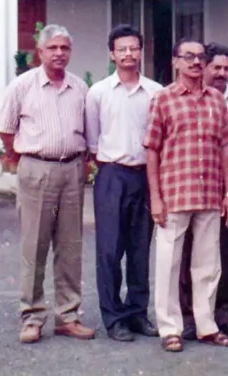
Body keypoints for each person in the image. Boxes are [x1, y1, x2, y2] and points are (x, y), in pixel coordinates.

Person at [0, 24, 95, 344]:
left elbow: (87, 131)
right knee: (34, 246)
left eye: (64, 48)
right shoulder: (22, 86)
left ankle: (68, 316)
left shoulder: (79, 88)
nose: (59, 53)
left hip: (72, 171)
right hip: (36, 169)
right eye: (52, 48)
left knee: (70, 247)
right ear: (39, 52)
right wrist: (25, 158)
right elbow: (6, 130)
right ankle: (32, 316)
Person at [144, 38, 228, 353]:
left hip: (210, 193)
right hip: (174, 194)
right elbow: (152, 150)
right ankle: (170, 328)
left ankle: (206, 326)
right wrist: (155, 197)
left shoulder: (217, 100)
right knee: (168, 263)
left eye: (200, 57)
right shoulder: (162, 99)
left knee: (208, 264)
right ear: (176, 62)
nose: (196, 62)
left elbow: (224, 148)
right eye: (188, 57)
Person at [85, 24, 162, 342]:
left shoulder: (156, 92)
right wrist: (110, 167)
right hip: (111, 175)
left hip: (145, 175)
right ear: (112, 54)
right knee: (109, 250)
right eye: (122, 49)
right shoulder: (99, 93)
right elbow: (92, 141)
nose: (128, 54)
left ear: (141, 51)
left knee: (140, 249)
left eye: (134, 48)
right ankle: (113, 317)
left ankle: (137, 313)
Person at [179, 43, 228, 340]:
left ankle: (224, 315)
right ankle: (190, 316)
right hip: (197, 181)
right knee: (190, 250)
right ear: (204, 67)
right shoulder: (188, 100)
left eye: (227, 68)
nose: (222, 73)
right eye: (216, 67)